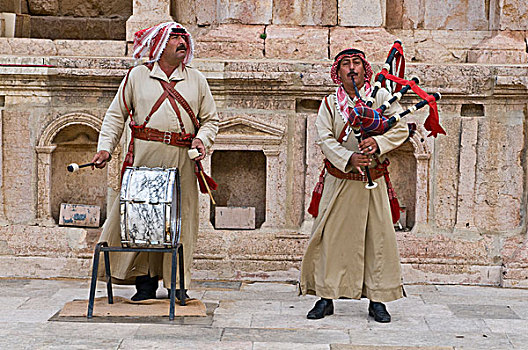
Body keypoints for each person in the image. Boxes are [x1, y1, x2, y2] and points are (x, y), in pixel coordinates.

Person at [91, 22, 219, 301]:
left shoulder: (197, 80)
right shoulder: (137, 76)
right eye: (175, 38)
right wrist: (105, 148)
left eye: (184, 37)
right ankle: (145, 284)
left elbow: (210, 120)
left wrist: (202, 140)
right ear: (160, 44)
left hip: (182, 160)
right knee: (142, 216)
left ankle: (177, 286)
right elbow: (116, 116)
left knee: (181, 220)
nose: (182, 41)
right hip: (145, 157)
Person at [300, 48, 409, 322]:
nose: (352, 68)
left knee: (378, 241)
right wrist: (349, 157)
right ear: (338, 72)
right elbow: (325, 139)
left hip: (374, 183)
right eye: (346, 64)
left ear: (365, 69)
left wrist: (378, 143)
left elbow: (401, 129)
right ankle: (326, 297)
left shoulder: (381, 96)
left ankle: (378, 299)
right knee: (330, 240)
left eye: (356, 63)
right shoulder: (329, 104)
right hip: (340, 181)